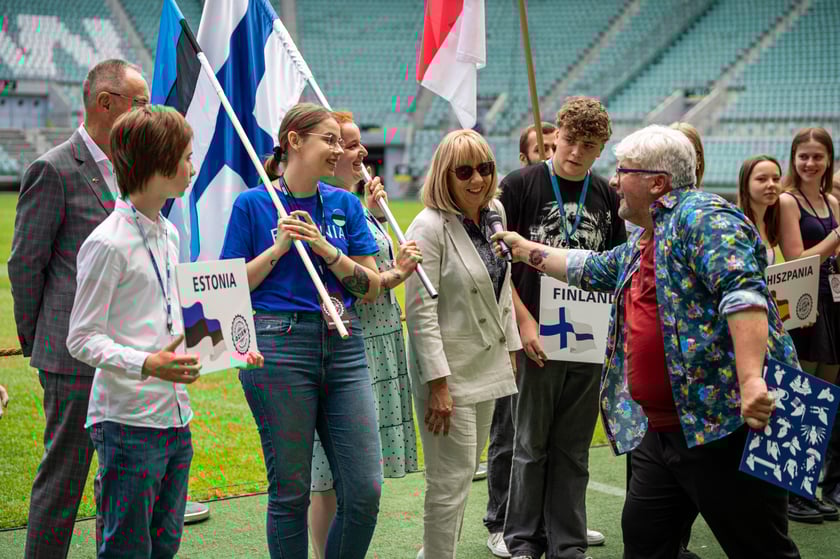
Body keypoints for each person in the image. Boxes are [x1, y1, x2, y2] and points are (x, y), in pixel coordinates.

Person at [492, 124, 801, 559]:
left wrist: (751, 379)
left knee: (760, 546)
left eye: (623, 171)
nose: (614, 180)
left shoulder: (703, 217)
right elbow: (594, 267)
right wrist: (524, 248)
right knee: (645, 541)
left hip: (721, 426)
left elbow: (744, 293)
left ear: (657, 182)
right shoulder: (648, 236)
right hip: (662, 432)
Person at [66, 105, 263, 558]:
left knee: (165, 545)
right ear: (159, 160)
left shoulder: (168, 233)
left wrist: (236, 346)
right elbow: (81, 337)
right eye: (187, 156)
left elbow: (171, 313)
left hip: (176, 418)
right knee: (126, 549)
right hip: (128, 422)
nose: (193, 167)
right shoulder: (107, 243)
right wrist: (147, 363)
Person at [220, 102, 383, 558]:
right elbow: (229, 287)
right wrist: (279, 248)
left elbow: (369, 288)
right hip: (278, 347)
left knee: (365, 489)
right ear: (294, 140)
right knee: (290, 493)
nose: (338, 150)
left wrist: (327, 250)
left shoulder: (345, 205)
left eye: (339, 141)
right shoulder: (253, 204)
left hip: (344, 345)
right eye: (328, 140)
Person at [8, 59, 150, 559]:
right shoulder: (53, 168)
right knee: (64, 480)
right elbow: (26, 265)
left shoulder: (134, 169)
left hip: (128, 356)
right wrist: (43, 344)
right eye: (139, 102)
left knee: (119, 483)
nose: (146, 112)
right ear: (104, 103)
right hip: (72, 361)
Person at [499, 97, 621, 559]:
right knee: (530, 444)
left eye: (588, 146)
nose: (575, 152)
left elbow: (615, 267)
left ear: (601, 149)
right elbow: (497, 265)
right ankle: (523, 539)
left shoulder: (607, 194)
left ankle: (567, 541)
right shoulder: (520, 185)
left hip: (588, 340)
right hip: (534, 335)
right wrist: (522, 322)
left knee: (573, 447)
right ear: (556, 136)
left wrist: (610, 336)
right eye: (569, 141)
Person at [307, 111, 422, 559]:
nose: (356, 152)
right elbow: (364, 286)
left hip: (379, 343)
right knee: (328, 475)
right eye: (346, 143)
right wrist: (399, 272)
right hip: (353, 345)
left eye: (356, 144)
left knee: (353, 474)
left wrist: (371, 211)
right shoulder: (325, 208)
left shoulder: (355, 205)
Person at [405, 129, 521, 559]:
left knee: (464, 471)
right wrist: (438, 383)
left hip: (488, 364)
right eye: (465, 171)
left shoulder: (495, 213)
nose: (478, 179)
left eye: (486, 168)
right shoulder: (428, 226)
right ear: (444, 175)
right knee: (449, 479)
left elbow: (502, 291)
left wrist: (511, 347)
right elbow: (420, 311)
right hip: (449, 374)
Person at [483, 121, 558, 558]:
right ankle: (502, 520)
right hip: (517, 326)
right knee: (510, 431)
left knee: (551, 435)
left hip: (566, 331)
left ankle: (549, 520)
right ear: (525, 156)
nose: (549, 153)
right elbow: (501, 270)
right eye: (540, 148)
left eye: (554, 146)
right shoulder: (511, 198)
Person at [778, 128, 840, 523]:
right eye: (803, 156)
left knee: (828, 398)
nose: (810, 163)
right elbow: (798, 259)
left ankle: (811, 485)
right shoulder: (788, 200)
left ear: (828, 160)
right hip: (804, 302)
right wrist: (836, 236)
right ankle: (791, 491)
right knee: (805, 394)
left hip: (833, 301)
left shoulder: (831, 200)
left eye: (818, 156)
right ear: (794, 158)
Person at [737, 156, 783, 265]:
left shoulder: (774, 222)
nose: (771, 184)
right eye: (762, 179)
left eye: (776, 179)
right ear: (745, 184)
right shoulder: (736, 225)